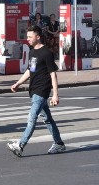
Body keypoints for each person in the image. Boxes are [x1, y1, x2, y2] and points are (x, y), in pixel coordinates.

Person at [7, 26, 66, 157]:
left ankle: (20, 145)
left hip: (42, 90)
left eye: (30, 36)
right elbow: (30, 70)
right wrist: (18, 83)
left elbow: (53, 74)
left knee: (32, 118)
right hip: (33, 90)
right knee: (48, 119)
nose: (27, 39)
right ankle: (59, 144)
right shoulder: (33, 52)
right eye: (27, 37)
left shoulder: (46, 53)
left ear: (38, 36)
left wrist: (55, 95)